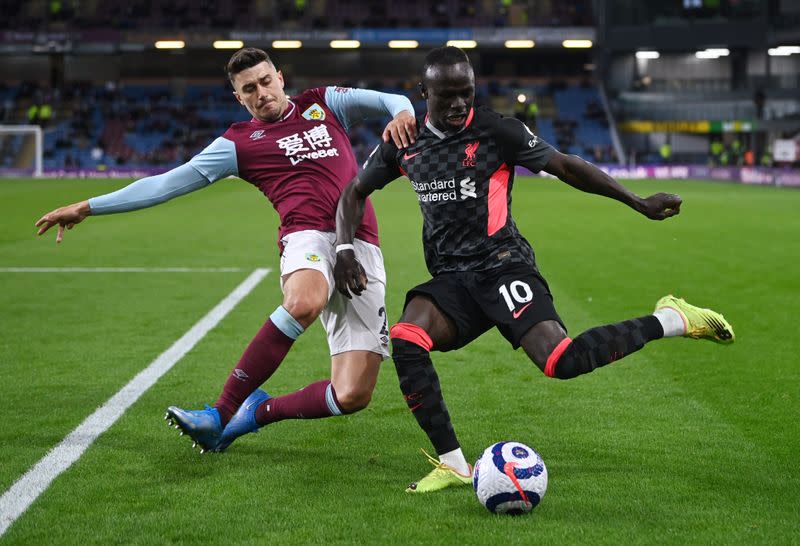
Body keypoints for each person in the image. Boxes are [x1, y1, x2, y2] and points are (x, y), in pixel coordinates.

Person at [333, 46, 735, 493]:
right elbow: (353, 193)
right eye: (445, 96)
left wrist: (637, 202)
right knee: (408, 339)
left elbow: (564, 165)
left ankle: (672, 319)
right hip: (452, 280)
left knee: (561, 361)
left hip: (504, 266)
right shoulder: (403, 144)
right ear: (423, 92)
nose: (457, 105)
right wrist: (344, 248)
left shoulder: (496, 131)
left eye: (465, 94)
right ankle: (452, 465)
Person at [35, 47, 417, 453]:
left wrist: (403, 113)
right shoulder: (238, 142)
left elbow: (387, 100)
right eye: (249, 89)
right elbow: (165, 184)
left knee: (352, 395)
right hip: (306, 238)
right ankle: (218, 413)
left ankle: (257, 412)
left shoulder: (324, 103)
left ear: (281, 78)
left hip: (361, 245)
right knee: (305, 301)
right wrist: (88, 207)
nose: (261, 93)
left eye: (266, 82)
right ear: (239, 97)